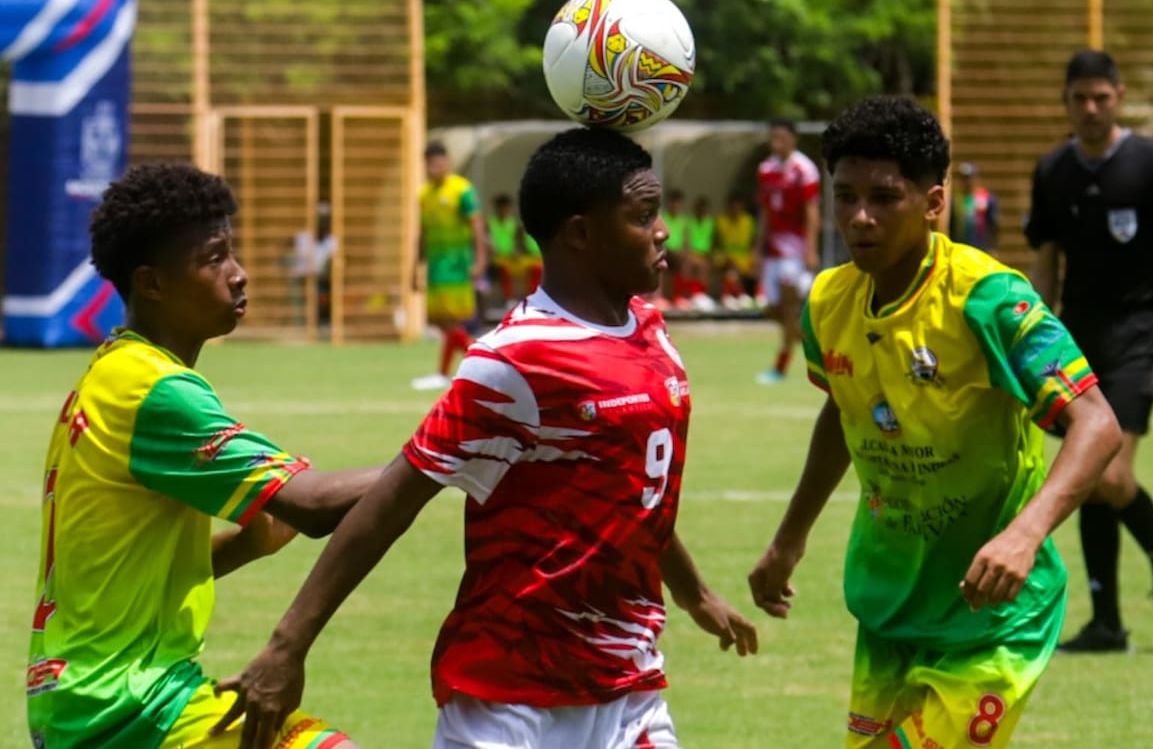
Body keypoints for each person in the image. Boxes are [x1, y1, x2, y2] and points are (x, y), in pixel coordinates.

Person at [213, 128, 758, 749]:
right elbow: (394, 499)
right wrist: (288, 647)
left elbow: (629, 492)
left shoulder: (651, 333)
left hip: (631, 693)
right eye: (643, 217)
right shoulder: (514, 359)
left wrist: (695, 594)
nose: (663, 232)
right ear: (579, 234)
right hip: (511, 702)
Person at [748, 96, 1122, 749]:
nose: (860, 218)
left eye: (885, 197)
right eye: (846, 196)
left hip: (995, 614)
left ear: (933, 202)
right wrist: (788, 539)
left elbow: (1097, 423)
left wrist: (1024, 535)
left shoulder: (989, 300)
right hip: (891, 604)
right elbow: (842, 410)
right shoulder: (828, 301)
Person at [26, 164, 375, 749]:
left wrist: (249, 542)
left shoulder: (115, 374)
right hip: (127, 705)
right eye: (214, 259)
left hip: (90, 697)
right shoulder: (155, 390)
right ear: (152, 283)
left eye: (232, 254)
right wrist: (455, 448)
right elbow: (312, 507)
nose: (238, 275)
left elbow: (120, 569)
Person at [1025, 49, 1153, 653]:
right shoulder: (1052, 172)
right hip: (1076, 338)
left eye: (1102, 97)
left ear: (1118, 97)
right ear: (1066, 102)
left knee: (1111, 470)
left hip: (1137, 336)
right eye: (1080, 99)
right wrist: (1030, 342)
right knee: (1089, 471)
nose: (1092, 109)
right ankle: (1107, 623)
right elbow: (1045, 270)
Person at [414, 141, 488, 391]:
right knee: (440, 320)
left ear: (447, 162)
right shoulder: (424, 195)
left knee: (452, 321)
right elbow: (422, 233)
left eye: (440, 162)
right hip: (436, 265)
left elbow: (477, 226)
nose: (437, 167)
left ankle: (484, 364)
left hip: (457, 265)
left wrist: (480, 259)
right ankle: (454, 370)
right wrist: (416, 266)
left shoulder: (461, 190)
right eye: (432, 164)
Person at [755, 116, 822, 383]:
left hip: (794, 250)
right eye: (773, 138)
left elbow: (812, 211)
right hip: (772, 249)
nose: (777, 142)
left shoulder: (804, 169)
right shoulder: (766, 169)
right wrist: (757, 248)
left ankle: (780, 366)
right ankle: (812, 340)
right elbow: (765, 212)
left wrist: (810, 248)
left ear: (793, 139)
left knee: (790, 304)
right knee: (772, 308)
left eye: (781, 137)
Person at [486, 193, 542, 306]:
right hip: (496, 259)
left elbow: (520, 245)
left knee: (536, 267)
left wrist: (517, 253)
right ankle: (509, 299)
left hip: (512, 258)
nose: (504, 210)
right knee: (504, 269)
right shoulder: (489, 223)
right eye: (501, 208)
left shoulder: (514, 224)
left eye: (506, 208)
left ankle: (531, 298)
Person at [713, 193, 757, 308]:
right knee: (731, 269)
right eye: (733, 207)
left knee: (758, 265)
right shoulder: (721, 221)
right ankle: (737, 295)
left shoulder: (748, 221)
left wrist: (754, 258)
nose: (735, 210)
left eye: (738, 207)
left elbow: (753, 242)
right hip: (725, 255)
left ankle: (758, 296)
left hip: (744, 256)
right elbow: (716, 244)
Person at [949, 162, 998, 252]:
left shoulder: (986, 198)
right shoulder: (955, 200)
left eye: (969, 178)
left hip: (981, 248)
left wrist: (993, 247)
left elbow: (993, 224)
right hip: (961, 248)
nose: (967, 181)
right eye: (964, 178)